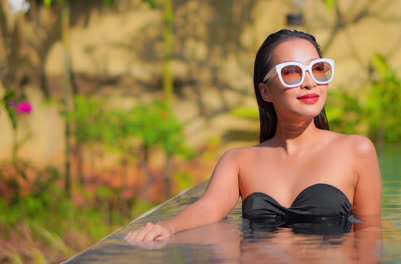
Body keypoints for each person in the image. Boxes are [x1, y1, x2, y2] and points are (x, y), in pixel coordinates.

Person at [125, 29, 382, 243]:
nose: (309, 82)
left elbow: (369, 232)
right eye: (292, 72)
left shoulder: (356, 150)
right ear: (266, 91)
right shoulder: (239, 161)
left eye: (318, 69)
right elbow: (208, 208)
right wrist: (167, 228)